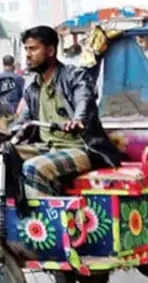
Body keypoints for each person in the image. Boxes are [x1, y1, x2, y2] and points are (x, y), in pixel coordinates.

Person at [12, 25, 124, 198]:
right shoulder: (33, 88)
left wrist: (79, 119)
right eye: (26, 49)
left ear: (50, 51)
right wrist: (1, 135)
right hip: (46, 148)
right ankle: (4, 216)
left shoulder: (74, 75)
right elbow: (22, 123)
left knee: (33, 168)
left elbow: (84, 98)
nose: (27, 55)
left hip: (82, 148)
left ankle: (45, 223)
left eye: (33, 49)